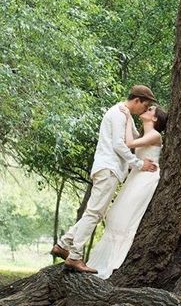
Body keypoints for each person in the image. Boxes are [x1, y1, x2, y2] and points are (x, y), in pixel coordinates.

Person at [50, 85, 158, 273]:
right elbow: (119, 145)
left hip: (110, 169)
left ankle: (63, 244)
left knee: (95, 213)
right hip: (108, 168)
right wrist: (139, 164)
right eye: (145, 105)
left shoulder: (124, 115)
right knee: (94, 214)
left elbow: (133, 137)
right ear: (137, 101)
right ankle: (75, 256)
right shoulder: (118, 114)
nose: (144, 110)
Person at [86, 103, 167, 279]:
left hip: (146, 178)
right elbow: (133, 138)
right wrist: (128, 117)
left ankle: (116, 260)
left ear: (154, 118)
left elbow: (129, 142)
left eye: (151, 109)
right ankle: (104, 259)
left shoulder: (155, 135)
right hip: (136, 176)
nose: (147, 109)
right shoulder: (147, 135)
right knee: (115, 214)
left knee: (125, 217)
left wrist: (128, 116)